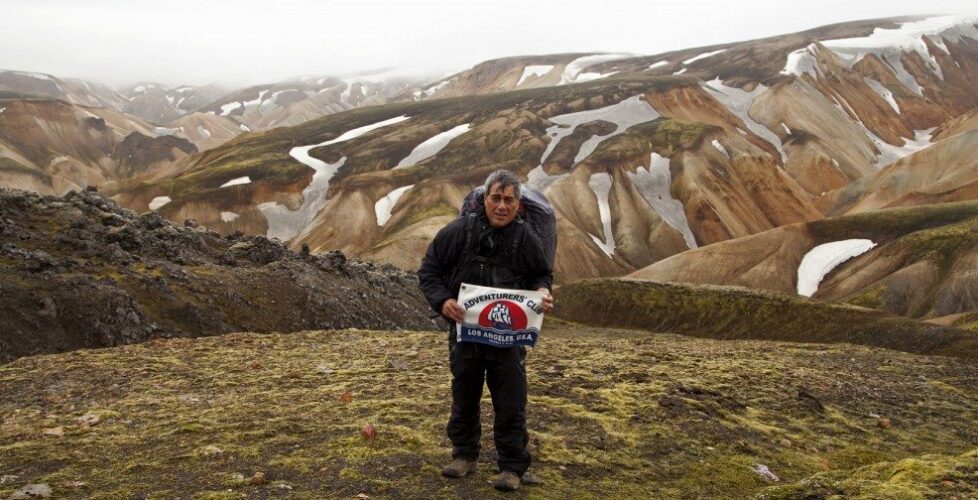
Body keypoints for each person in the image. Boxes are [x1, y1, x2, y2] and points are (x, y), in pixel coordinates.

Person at [418, 169, 554, 491]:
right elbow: (429, 271)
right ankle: (464, 455)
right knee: (464, 396)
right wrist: (443, 301)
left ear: (518, 204)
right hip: (465, 334)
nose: (502, 206)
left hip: (508, 338)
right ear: (485, 199)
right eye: (496, 198)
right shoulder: (459, 232)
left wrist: (543, 292)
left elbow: (541, 274)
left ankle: (512, 467)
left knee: (511, 401)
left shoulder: (525, 238)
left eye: (509, 200)